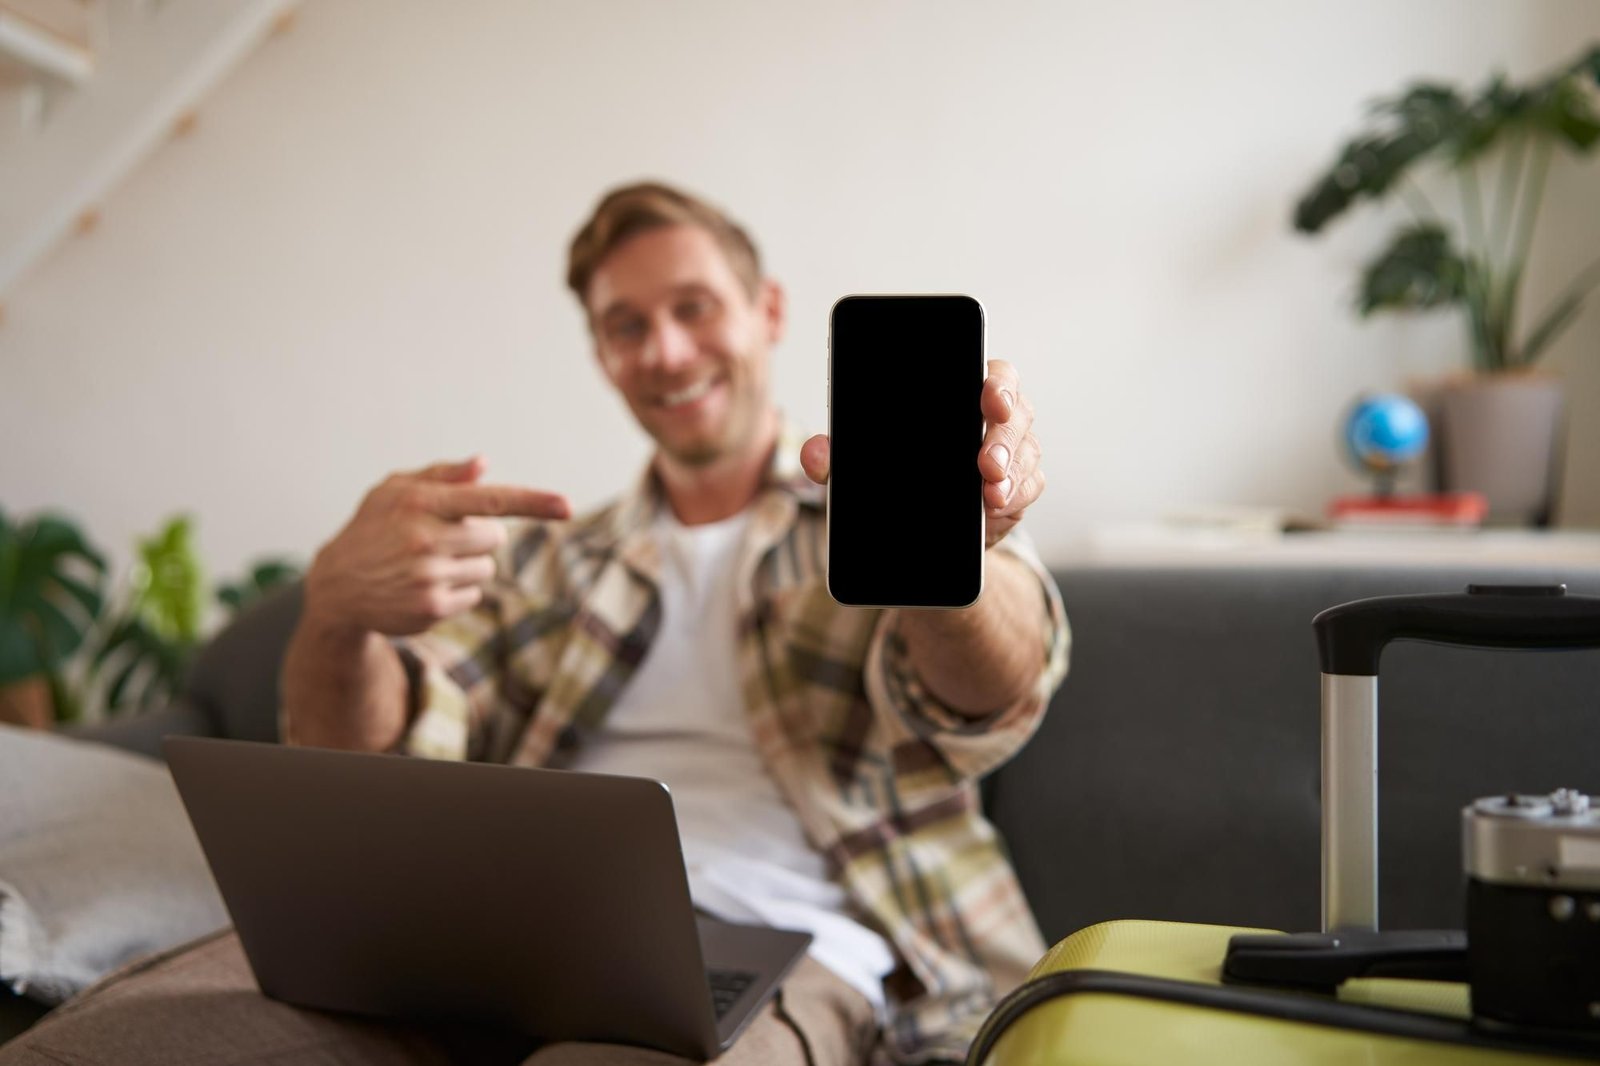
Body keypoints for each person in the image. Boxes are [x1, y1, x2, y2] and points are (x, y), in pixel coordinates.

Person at [0, 183, 1067, 1066]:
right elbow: (373, 760)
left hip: (786, 947)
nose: (665, 348)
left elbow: (988, 693)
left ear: (768, 311)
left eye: (696, 307)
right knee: (111, 1048)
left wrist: (956, 564)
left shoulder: (878, 516)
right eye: (625, 325)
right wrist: (336, 617)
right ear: (601, 355)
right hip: (503, 937)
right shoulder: (552, 558)